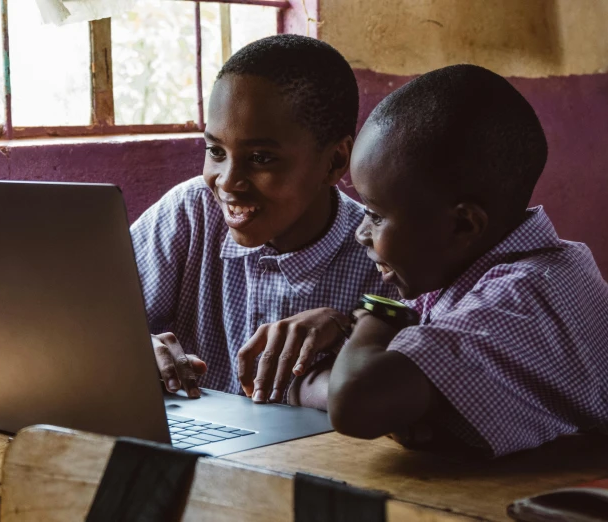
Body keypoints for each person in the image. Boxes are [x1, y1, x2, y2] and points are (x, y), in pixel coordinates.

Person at [275, 64, 608, 457]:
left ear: (463, 225)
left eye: (376, 215)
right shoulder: (492, 269)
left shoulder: (522, 297)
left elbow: (355, 401)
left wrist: (376, 316)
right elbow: (382, 390)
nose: (360, 232)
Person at [130, 34, 393, 402]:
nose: (227, 182)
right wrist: (137, 350)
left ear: (334, 161)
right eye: (215, 151)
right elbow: (87, 322)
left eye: (261, 158)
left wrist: (351, 327)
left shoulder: (384, 255)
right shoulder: (190, 213)